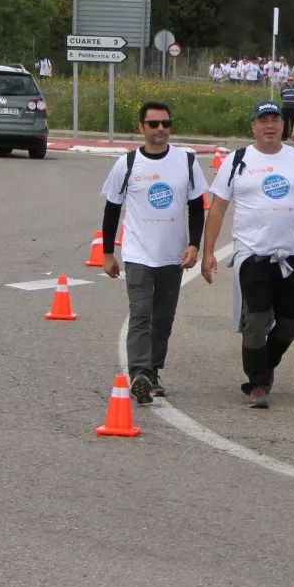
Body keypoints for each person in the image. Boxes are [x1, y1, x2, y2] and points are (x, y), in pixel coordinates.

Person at [199, 101, 294, 408]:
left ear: (282, 124)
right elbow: (217, 209)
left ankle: (264, 366)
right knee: (256, 319)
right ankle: (257, 384)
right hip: (252, 255)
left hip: (290, 256)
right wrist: (207, 253)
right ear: (253, 126)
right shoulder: (238, 160)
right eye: (263, 120)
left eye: (275, 120)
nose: (269, 125)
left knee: (292, 322)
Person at [98, 101, 208, 405]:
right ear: (142, 128)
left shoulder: (186, 161)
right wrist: (108, 253)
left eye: (165, 123)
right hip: (138, 255)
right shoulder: (127, 164)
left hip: (173, 256)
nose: (161, 129)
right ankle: (140, 374)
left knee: (163, 319)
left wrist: (194, 245)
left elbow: (197, 207)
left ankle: (153, 372)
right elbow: (112, 209)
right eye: (154, 124)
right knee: (141, 315)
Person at [279, 72, 294, 139]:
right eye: (288, 80)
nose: (290, 81)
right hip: (285, 107)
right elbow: (281, 95)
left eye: (291, 80)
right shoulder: (283, 87)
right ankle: (284, 137)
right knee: (285, 123)